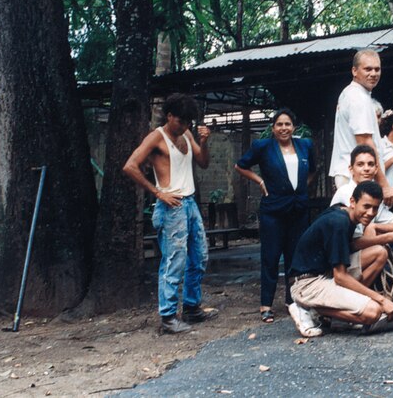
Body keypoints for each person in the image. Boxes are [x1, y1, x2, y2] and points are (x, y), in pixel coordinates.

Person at [123, 93, 216, 334]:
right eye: (181, 121)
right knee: (174, 261)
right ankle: (168, 317)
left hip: (190, 203)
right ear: (169, 115)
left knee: (200, 256)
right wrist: (158, 193)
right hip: (171, 204)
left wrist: (203, 142)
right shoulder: (157, 137)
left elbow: (203, 163)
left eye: (189, 122)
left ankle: (192, 308)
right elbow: (130, 166)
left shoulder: (185, 133)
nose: (185, 126)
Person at [288, 181, 393, 337]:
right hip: (307, 283)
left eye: (375, 208)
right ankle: (307, 308)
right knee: (373, 312)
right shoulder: (339, 222)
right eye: (366, 206)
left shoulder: (344, 213)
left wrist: (388, 237)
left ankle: (340, 315)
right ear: (353, 202)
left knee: (379, 253)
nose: (370, 213)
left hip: (324, 273)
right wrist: (381, 300)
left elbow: (350, 246)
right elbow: (340, 277)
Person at [234, 109, 317, 323]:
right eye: (279, 124)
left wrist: (299, 190)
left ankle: (293, 301)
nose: (284, 128)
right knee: (270, 257)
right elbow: (240, 166)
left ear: (294, 127)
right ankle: (266, 305)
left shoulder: (305, 145)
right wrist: (260, 182)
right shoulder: (263, 147)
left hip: (298, 209)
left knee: (295, 256)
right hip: (273, 210)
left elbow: (312, 171)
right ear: (273, 128)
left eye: (287, 124)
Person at [330, 145, 393, 290]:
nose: (366, 169)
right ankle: (353, 295)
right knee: (380, 251)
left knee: (386, 240)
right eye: (360, 164)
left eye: (370, 164)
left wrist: (375, 226)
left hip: (357, 254)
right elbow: (354, 244)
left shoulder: (372, 193)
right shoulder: (347, 193)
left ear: (376, 169)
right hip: (339, 260)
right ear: (351, 169)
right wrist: (386, 236)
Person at [329, 49, 393, 206]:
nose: (373, 73)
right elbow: (365, 143)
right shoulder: (357, 97)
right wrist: (384, 185)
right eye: (368, 69)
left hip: (352, 173)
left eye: (377, 69)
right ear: (354, 71)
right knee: (361, 229)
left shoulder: (354, 93)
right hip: (355, 176)